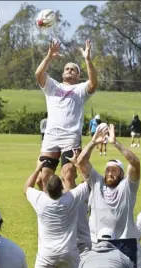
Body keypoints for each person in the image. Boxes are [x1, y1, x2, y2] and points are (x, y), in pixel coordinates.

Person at [74, 124, 141, 268]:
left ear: (122, 174)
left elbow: (136, 163)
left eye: (115, 170)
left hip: (124, 242)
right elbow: (80, 162)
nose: (110, 172)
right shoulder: (96, 183)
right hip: (99, 243)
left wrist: (115, 143)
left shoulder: (128, 187)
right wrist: (93, 141)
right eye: (108, 169)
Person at [35, 39, 97, 192]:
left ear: (78, 76)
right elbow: (38, 74)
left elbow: (93, 82)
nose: (69, 70)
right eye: (67, 68)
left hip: (70, 137)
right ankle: (52, 211)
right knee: (44, 178)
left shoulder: (80, 90)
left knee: (68, 175)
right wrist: (49, 56)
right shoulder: (52, 86)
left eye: (73, 69)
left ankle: (75, 210)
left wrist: (87, 60)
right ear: (63, 73)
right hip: (51, 136)